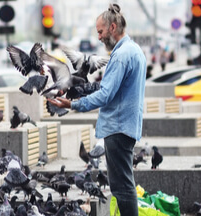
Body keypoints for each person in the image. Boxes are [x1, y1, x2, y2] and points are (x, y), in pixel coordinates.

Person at [48, 4, 145, 215]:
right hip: (127, 126)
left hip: (117, 128)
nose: (99, 37)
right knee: (124, 185)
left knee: (122, 187)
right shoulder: (135, 50)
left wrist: (73, 104)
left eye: (100, 32)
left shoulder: (120, 56)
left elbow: (105, 94)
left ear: (112, 27)